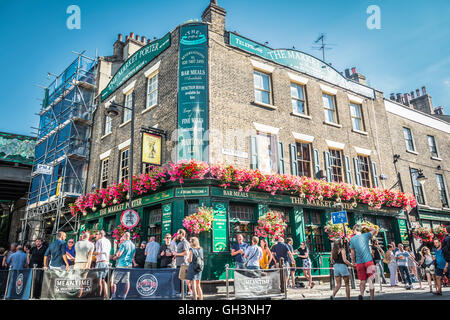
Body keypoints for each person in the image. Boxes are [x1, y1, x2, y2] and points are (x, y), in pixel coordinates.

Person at [350, 224, 377, 300]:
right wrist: (366, 227)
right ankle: (371, 298)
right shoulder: (366, 235)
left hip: (359, 263)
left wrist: (353, 261)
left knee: (362, 281)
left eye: (353, 229)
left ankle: (361, 294)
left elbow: (352, 252)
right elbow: (374, 230)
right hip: (368, 261)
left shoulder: (352, 239)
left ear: (355, 230)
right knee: (371, 280)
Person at [111, 232, 135, 299]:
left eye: (123, 236)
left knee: (114, 281)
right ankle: (124, 296)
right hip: (129, 265)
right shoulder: (133, 245)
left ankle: (113, 296)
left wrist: (115, 257)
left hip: (121, 265)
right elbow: (133, 256)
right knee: (127, 281)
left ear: (124, 236)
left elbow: (119, 255)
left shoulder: (123, 244)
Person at [93, 230, 111, 299]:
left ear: (100, 235)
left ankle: (99, 296)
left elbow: (98, 252)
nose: (95, 236)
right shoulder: (108, 241)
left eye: (97, 234)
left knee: (99, 280)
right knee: (103, 280)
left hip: (101, 262)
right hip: (106, 262)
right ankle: (106, 295)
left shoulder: (99, 241)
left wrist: (90, 253)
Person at [173, 229, 191, 296]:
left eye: (178, 234)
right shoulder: (180, 242)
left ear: (181, 234)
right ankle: (181, 293)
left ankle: (184, 294)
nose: (177, 235)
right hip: (178, 263)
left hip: (183, 263)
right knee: (179, 279)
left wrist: (176, 254)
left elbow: (186, 253)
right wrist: (175, 255)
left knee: (183, 279)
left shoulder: (185, 242)